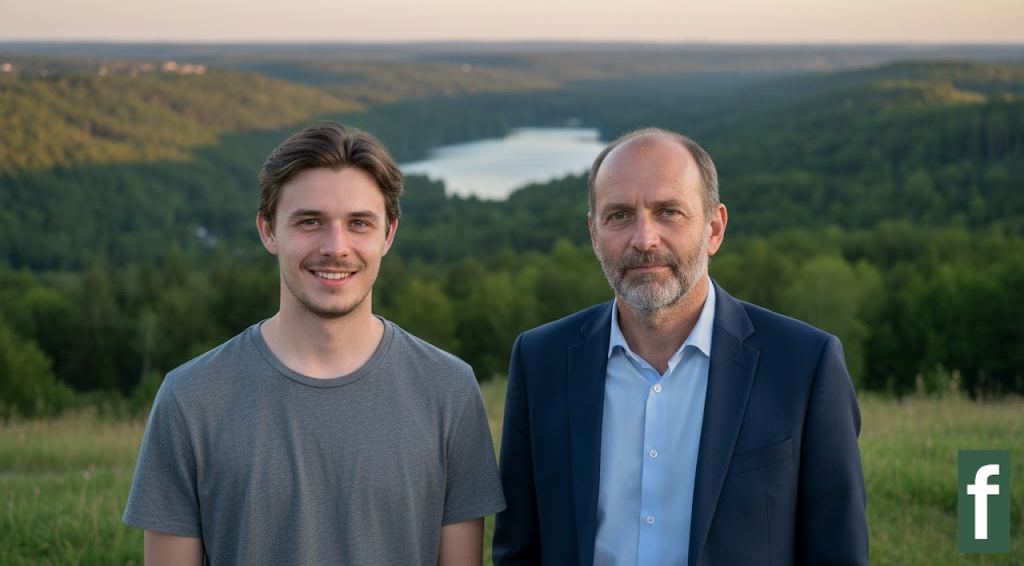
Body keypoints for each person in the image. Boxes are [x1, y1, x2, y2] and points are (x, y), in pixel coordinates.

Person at [124, 121, 505, 566]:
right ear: (268, 231)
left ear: (389, 235)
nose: (336, 247)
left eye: (359, 223)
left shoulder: (449, 390)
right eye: (310, 221)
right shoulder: (190, 398)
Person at [492, 127, 868, 565]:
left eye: (668, 212)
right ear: (594, 235)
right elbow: (518, 551)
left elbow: (837, 554)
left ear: (714, 228)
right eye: (619, 215)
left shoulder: (805, 366)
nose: (644, 239)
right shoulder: (541, 362)